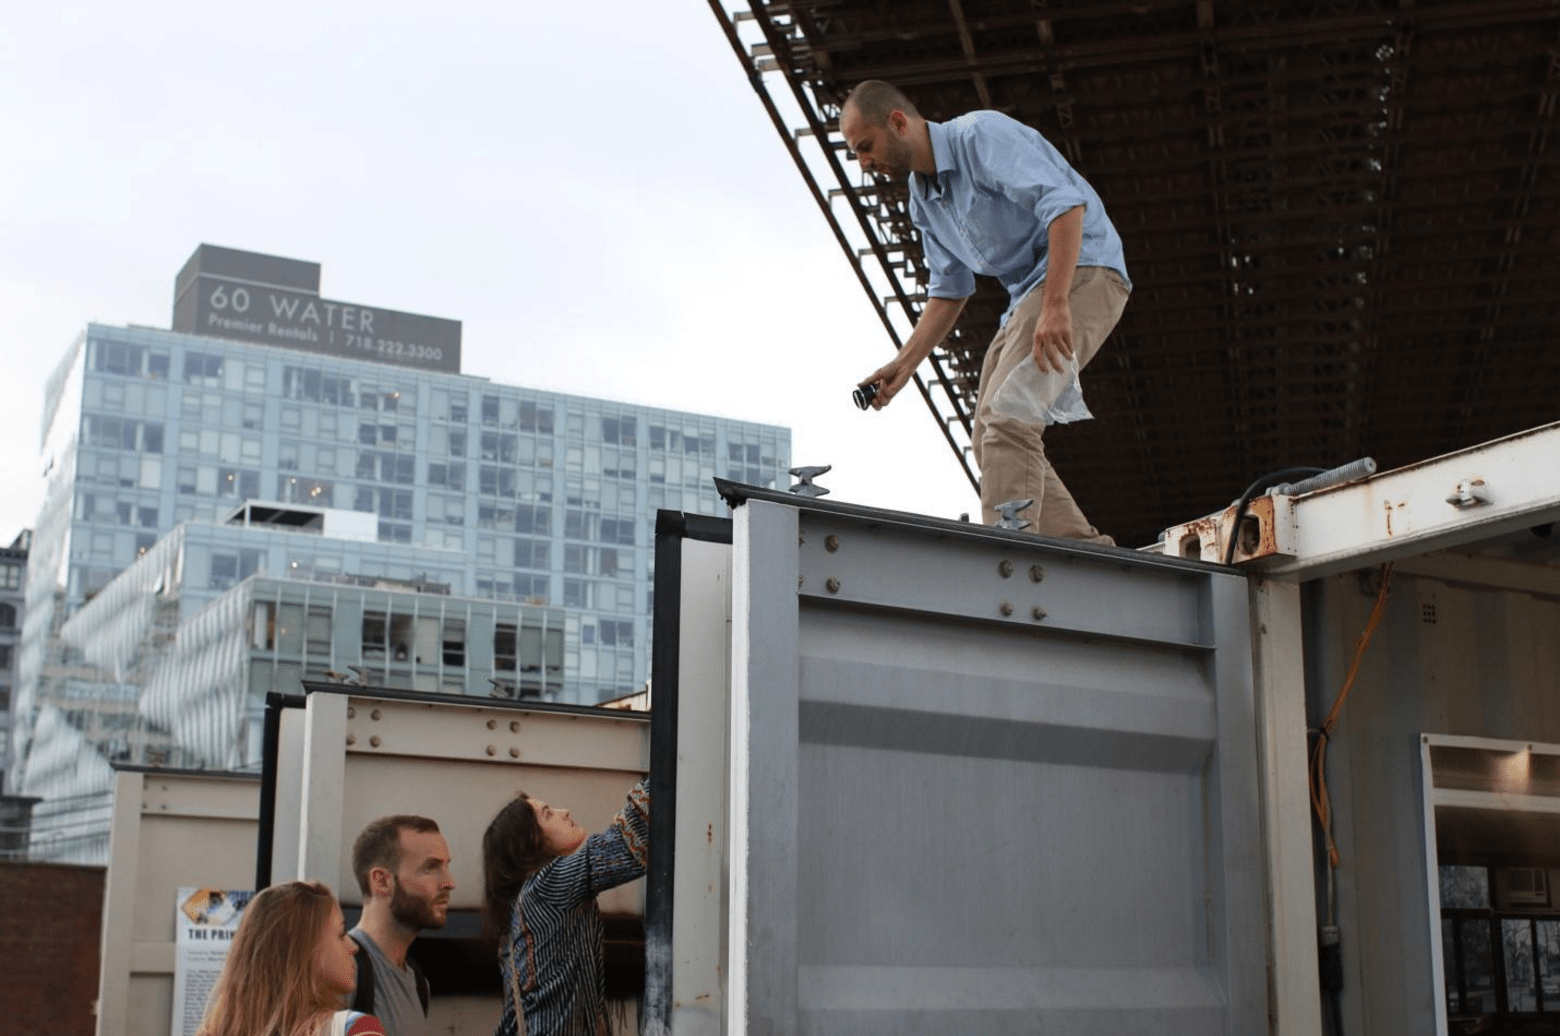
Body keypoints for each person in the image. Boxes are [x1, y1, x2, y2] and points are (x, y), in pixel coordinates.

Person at [848, 79, 1132, 542]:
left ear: (897, 122)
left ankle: (1008, 559)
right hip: (1028, 294)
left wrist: (1057, 304)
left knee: (1010, 414)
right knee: (988, 434)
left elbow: (1065, 206)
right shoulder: (924, 199)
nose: (863, 163)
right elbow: (949, 290)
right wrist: (903, 365)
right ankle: (1082, 551)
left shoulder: (980, 136)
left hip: (1084, 269)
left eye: (866, 146)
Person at [482, 778, 650, 1036]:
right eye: (549, 814)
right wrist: (668, 773)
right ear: (529, 842)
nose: (565, 812)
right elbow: (627, 842)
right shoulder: (544, 887)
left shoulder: (520, 908)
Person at [196, 880, 385, 1036]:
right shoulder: (355, 1030)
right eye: (341, 934)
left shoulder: (215, 1030)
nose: (353, 947)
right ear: (306, 949)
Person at [348, 815, 456, 1036]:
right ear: (382, 881)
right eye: (431, 867)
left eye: (446, 866)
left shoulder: (418, 984)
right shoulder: (342, 972)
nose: (449, 882)